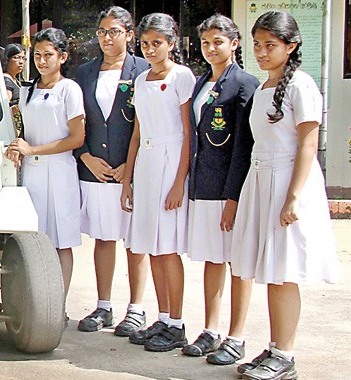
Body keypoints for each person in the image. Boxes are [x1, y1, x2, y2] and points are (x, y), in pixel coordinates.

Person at [232, 10, 339, 380]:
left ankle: (286, 355)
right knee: (270, 269)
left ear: (291, 46)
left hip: (288, 181)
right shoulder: (263, 88)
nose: (261, 52)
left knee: (284, 271)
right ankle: (276, 347)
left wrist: (293, 196)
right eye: (257, 45)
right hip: (261, 179)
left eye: (270, 45)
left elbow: (308, 143)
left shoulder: (301, 85)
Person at [180, 14, 259, 365]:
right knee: (212, 257)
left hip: (229, 187)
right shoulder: (201, 83)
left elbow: (243, 145)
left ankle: (236, 336)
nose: (211, 49)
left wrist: (233, 196)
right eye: (206, 43)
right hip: (203, 183)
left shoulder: (244, 83)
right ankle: (211, 330)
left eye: (218, 42)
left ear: (234, 43)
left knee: (236, 262)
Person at [72, 6, 151, 335]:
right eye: (102, 32)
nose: (106, 38)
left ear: (130, 35)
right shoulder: (85, 73)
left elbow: (151, 123)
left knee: (136, 241)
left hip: (132, 174)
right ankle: (103, 306)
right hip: (96, 171)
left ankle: (137, 309)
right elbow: (76, 122)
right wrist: (84, 156)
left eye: (114, 31)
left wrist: (130, 169)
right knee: (104, 239)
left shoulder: (144, 70)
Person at [120, 13, 195, 352]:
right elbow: (137, 131)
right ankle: (163, 317)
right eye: (145, 43)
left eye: (157, 43)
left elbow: (187, 132)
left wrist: (180, 181)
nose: (150, 49)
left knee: (168, 248)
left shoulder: (182, 76)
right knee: (150, 244)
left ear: (172, 43)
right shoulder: (140, 79)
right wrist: (128, 179)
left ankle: (177, 322)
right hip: (147, 162)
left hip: (170, 159)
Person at [5, 28, 84, 310]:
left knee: (61, 242)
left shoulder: (69, 90)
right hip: (32, 173)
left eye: (48, 55)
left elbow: (77, 138)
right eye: (37, 55)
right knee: (34, 241)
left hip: (59, 170)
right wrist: (17, 147)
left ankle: (57, 307)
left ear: (62, 57)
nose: (42, 61)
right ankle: (35, 305)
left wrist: (33, 150)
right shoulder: (26, 90)